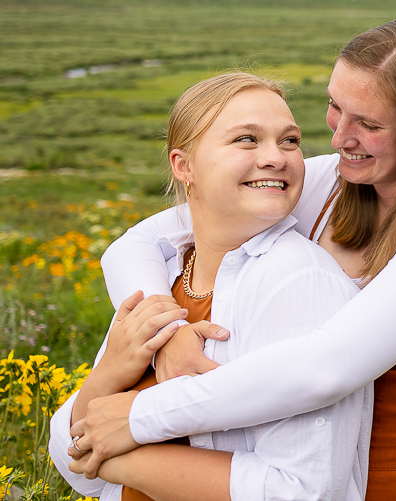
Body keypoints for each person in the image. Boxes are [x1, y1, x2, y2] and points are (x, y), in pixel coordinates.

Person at [68, 18, 396, 501]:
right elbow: (137, 243)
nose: (340, 138)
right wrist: (163, 333)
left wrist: (141, 419)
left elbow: (326, 368)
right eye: (336, 107)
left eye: (371, 124)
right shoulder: (332, 182)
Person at [50, 72, 373, 501]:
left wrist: (123, 459)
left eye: (290, 141)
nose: (276, 157)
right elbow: (72, 458)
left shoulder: (298, 282)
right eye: (247, 139)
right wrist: (112, 368)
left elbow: (303, 491)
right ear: (183, 166)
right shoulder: (164, 277)